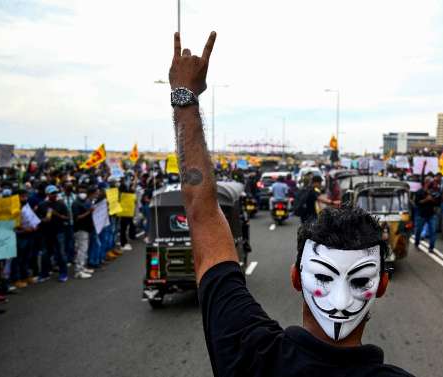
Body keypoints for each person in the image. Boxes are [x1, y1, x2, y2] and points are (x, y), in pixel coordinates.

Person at [168, 31, 413, 376]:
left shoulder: (252, 353)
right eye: (327, 278)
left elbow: (203, 215)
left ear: (295, 277)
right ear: (382, 286)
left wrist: (185, 98)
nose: (341, 302)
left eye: (357, 280)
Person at [36, 185, 69, 283]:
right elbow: (36, 218)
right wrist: (43, 220)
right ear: (47, 194)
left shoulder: (61, 204)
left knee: (61, 254)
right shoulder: (42, 205)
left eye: (55, 193)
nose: (54, 195)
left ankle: (63, 273)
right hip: (46, 233)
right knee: (45, 254)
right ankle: (44, 274)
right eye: (52, 193)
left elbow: (67, 218)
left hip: (59, 232)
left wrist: (56, 214)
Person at [71, 185, 95, 279]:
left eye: (84, 192)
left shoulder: (85, 202)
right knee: (81, 250)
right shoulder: (76, 204)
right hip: (80, 229)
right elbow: (77, 217)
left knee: (84, 249)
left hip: (86, 228)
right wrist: (89, 211)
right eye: (81, 192)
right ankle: (78, 271)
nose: (83, 194)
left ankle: (83, 267)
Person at [414, 178, 440, 253]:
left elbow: (437, 202)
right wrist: (426, 200)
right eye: (430, 182)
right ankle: (416, 244)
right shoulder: (419, 192)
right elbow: (417, 203)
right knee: (418, 230)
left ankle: (431, 247)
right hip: (421, 214)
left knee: (433, 231)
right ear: (426, 182)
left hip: (431, 214)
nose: (432, 184)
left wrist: (432, 199)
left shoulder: (433, 192)